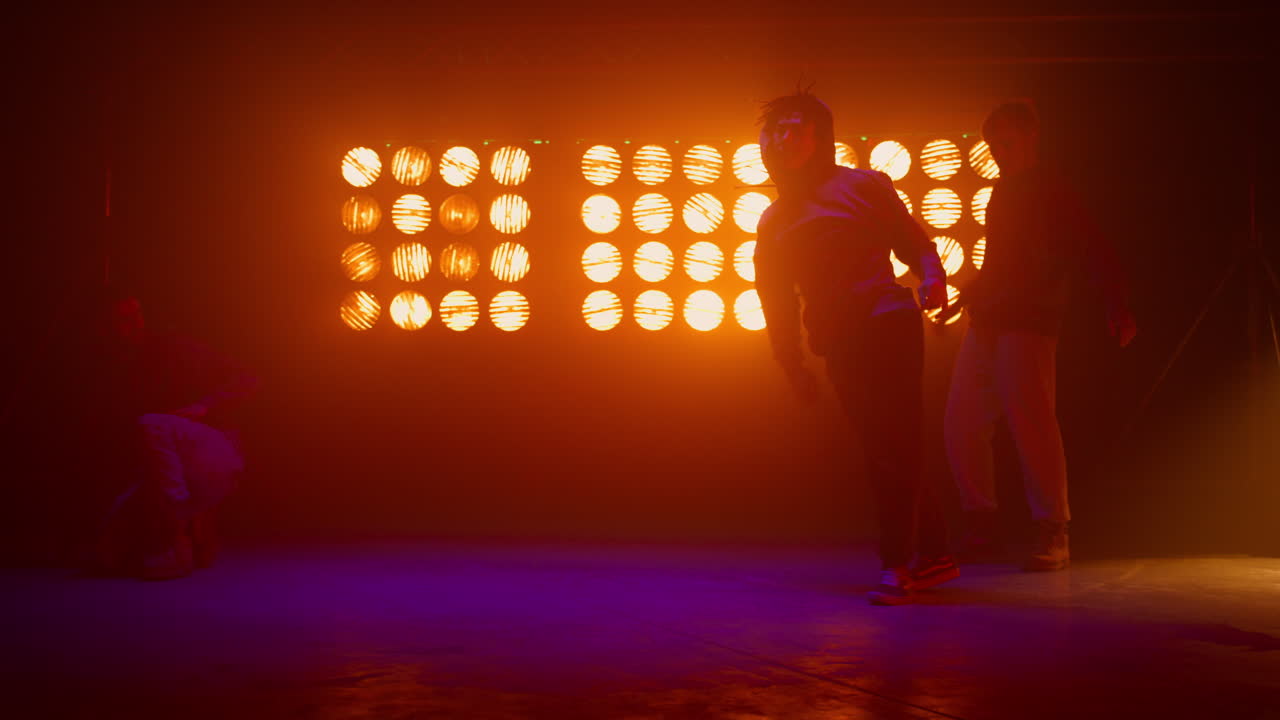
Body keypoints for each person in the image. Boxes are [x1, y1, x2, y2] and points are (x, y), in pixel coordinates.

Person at [753, 89, 957, 605]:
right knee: (887, 447)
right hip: (838, 340)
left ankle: (897, 565)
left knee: (894, 444)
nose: (781, 138)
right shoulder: (775, 221)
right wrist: (791, 360)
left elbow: (915, 242)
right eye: (774, 129)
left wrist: (933, 279)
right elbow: (774, 299)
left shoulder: (864, 186)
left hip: (887, 324)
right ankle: (935, 553)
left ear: (820, 137)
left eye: (794, 127)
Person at [942, 99, 1137, 571]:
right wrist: (967, 298)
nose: (999, 151)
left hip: (1030, 320)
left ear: (1032, 136)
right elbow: (1000, 263)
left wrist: (1118, 303)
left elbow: (1091, 244)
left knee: (1030, 421)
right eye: (994, 144)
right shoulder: (1003, 192)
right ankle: (982, 520)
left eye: (1006, 142)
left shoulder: (1050, 189)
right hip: (992, 317)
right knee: (963, 421)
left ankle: (1053, 528)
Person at [85, 287, 259, 580]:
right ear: (102, 327)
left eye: (135, 316)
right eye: (120, 320)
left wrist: (204, 407)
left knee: (153, 424)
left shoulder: (172, 349)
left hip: (212, 451)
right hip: (174, 467)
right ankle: (184, 533)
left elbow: (249, 378)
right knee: (107, 553)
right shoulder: (106, 370)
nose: (132, 326)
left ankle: (176, 536)